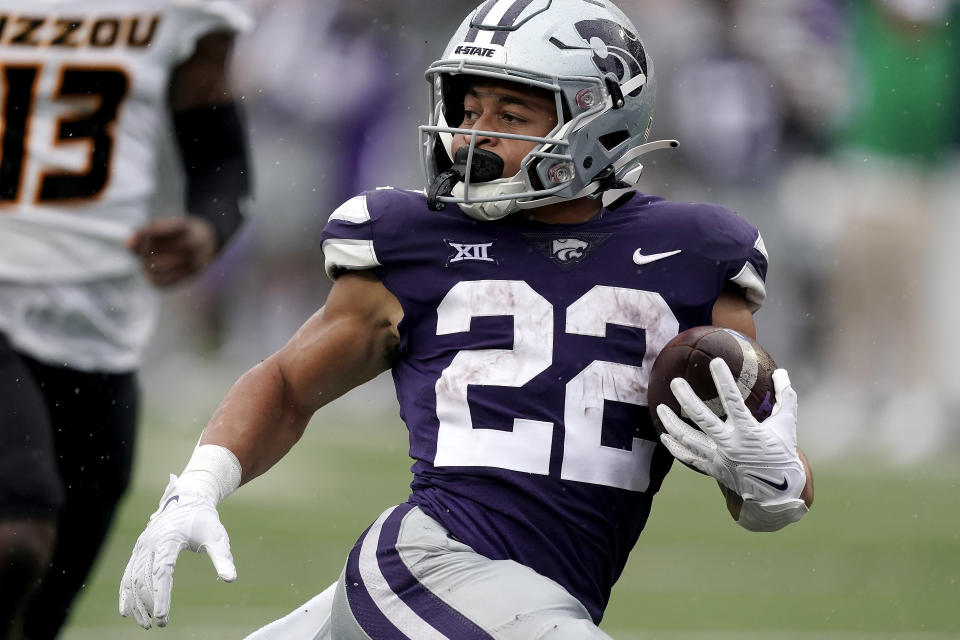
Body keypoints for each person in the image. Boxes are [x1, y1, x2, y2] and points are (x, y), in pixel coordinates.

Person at [118, 1, 814, 638]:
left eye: (510, 117)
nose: (471, 137)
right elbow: (289, 384)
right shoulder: (413, 238)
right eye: (467, 107)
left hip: (534, 603)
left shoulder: (694, 254)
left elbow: (768, 500)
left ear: (602, 121)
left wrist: (770, 475)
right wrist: (200, 486)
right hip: (425, 564)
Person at [0, 1, 253, 638]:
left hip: (100, 322)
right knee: (16, 535)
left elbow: (220, 155)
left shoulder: (183, 11)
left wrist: (208, 226)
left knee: (46, 600)